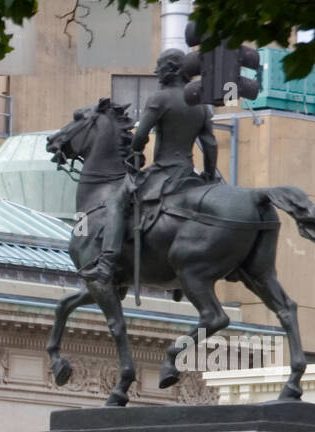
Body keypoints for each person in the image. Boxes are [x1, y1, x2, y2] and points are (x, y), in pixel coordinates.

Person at [79, 48, 219, 287]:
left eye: (160, 66)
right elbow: (210, 143)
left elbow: (141, 135)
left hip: (164, 172)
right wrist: (208, 173)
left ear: (173, 69)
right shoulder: (200, 103)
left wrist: (135, 152)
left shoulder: (160, 98)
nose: (156, 72)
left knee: (116, 202)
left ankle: (106, 263)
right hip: (189, 174)